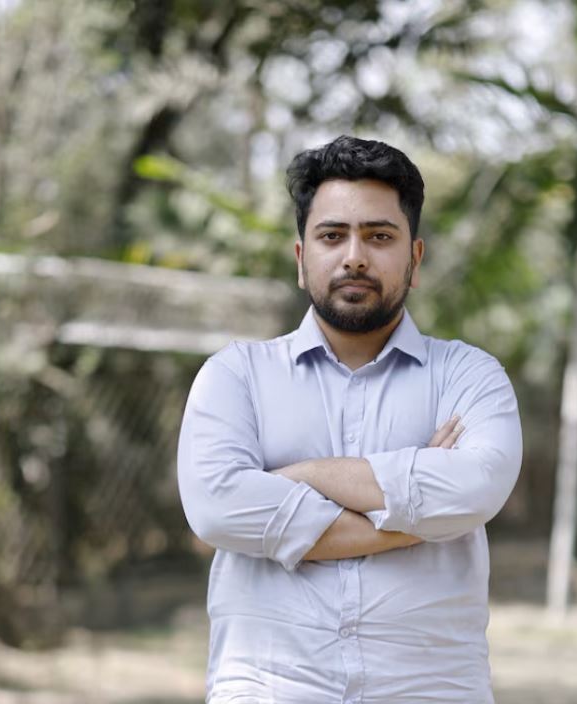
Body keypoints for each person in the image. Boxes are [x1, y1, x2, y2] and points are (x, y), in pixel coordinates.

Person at [177, 135, 523, 703]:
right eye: (332, 235)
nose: (354, 256)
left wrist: (301, 475)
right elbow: (217, 508)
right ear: (300, 258)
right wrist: (417, 515)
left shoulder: (469, 376)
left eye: (379, 236)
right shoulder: (235, 376)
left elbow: (477, 486)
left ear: (414, 258)